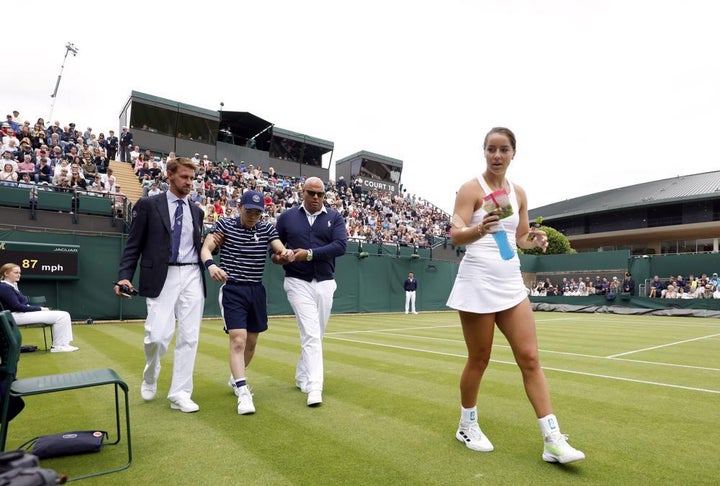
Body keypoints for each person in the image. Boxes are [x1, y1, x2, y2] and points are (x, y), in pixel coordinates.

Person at [446, 127, 584, 463]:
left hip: (510, 283)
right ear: (484, 152)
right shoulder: (469, 189)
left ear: (513, 154)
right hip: (477, 282)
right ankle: (467, 424)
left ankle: (552, 439)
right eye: (491, 149)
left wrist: (532, 239)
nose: (497, 155)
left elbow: (519, 235)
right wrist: (478, 228)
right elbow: (455, 233)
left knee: (531, 358)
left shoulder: (518, 193)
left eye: (503, 150)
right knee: (479, 359)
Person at [115, 157, 206, 413]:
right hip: (161, 275)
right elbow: (133, 246)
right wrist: (124, 276)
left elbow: (197, 246)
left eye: (191, 178)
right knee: (157, 336)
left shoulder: (197, 211)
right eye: (184, 177)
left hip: (191, 275)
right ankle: (151, 371)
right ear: (170, 175)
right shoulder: (147, 205)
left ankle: (180, 393)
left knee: (190, 337)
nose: (189, 182)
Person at [200, 190, 294, 415]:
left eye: (257, 212)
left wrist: (286, 254)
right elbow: (206, 248)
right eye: (249, 211)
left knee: (251, 343)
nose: (253, 216)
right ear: (239, 207)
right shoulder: (224, 225)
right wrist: (211, 265)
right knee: (239, 340)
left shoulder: (266, 228)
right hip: (233, 289)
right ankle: (243, 392)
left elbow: (279, 248)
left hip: (256, 291)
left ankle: (235, 378)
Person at [273, 176, 347, 407]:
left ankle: (301, 376)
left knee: (316, 333)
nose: (316, 197)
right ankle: (315, 387)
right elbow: (274, 252)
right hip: (297, 281)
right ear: (302, 192)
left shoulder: (334, 217)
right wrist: (280, 257)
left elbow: (341, 246)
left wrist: (310, 253)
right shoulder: (286, 218)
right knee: (312, 334)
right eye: (311, 193)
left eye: (320, 194)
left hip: (325, 281)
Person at [0, 263, 78, 352]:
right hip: (13, 316)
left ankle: (64, 344)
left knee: (64, 314)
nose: (19, 275)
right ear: (6, 273)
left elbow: (22, 305)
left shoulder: (12, 286)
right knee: (62, 316)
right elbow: (18, 307)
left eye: (20, 273)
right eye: (16, 272)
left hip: (19, 314)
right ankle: (59, 346)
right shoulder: (4, 287)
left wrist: (39, 308)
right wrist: (40, 309)